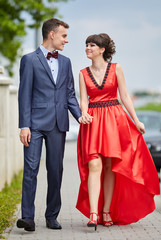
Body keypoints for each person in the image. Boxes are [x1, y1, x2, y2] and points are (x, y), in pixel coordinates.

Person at [76, 33, 160, 231]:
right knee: (94, 165)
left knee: (109, 166)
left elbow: (125, 96)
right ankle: (94, 213)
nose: (88, 48)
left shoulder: (117, 68)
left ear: (102, 49)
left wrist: (136, 120)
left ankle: (106, 211)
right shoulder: (82, 73)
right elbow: (83, 100)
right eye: (86, 45)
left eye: (92, 45)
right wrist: (83, 113)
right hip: (93, 121)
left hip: (114, 119)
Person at [17, 18, 82, 231]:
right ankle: (27, 217)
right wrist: (24, 125)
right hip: (34, 124)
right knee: (31, 169)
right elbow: (24, 93)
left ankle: (52, 215)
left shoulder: (66, 62)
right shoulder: (29, 60)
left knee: (55, 171)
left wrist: (80, 116)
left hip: (58, 124)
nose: (66, 40)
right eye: (64, 35)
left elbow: (70, 93)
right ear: (51, 34)